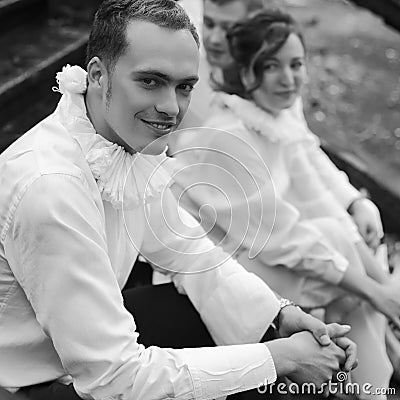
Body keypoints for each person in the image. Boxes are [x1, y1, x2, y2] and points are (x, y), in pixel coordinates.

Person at [0, 1, 357, 400]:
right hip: (30, 387)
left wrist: (279, 317)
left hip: (77, 352)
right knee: (253, 373)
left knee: (227, 332)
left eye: (184, 86)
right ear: (98, 75)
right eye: (151, 81)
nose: (171, 107)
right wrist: (279, 358)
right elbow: (116, 379)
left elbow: (190, 253)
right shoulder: (52, 188)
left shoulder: (119, 139)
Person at [170, 8, 400, 399]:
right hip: (219, 268)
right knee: (348, 276)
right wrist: (377, 289)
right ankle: (375, 381)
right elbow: (281, 234)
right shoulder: (230, 135)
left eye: (296, 64)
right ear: (246, 73)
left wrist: (356, 209)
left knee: (348, 280)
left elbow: (313, 184)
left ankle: (371, 384)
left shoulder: (275, 112)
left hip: (267, 249)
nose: (288, 78)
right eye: (271, 66)